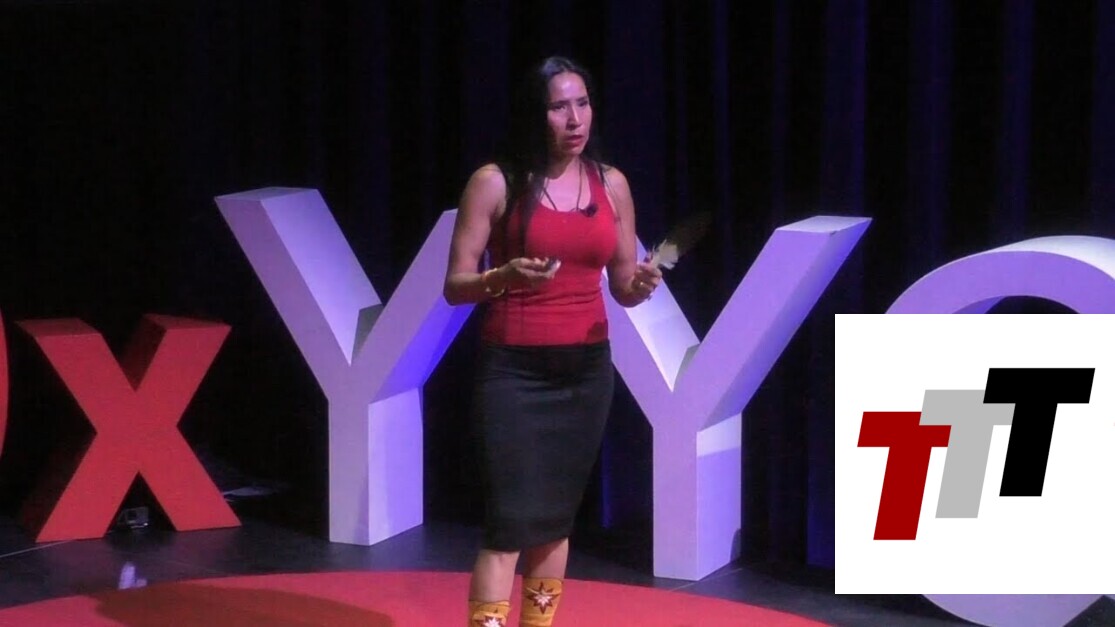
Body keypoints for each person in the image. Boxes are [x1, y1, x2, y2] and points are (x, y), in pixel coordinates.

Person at [443, 55, 661, 627]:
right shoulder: (495, 182)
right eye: (559, 106)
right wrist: (502, 277)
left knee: (555, 520)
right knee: (510, 522)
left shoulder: (611, 184)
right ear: (534, 114)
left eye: (582, 104)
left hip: (586, 373)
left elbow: (622, 285)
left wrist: (639, 285)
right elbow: (455, 285)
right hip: (513, 374)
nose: (575, 119)